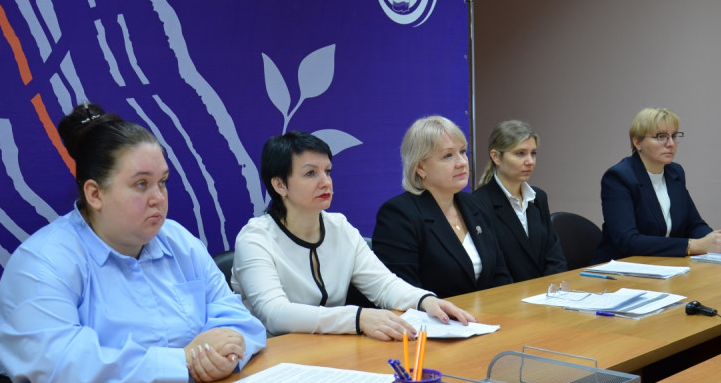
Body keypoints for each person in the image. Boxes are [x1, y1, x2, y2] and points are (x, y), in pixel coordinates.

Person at [0, 103, 266, 383]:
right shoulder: (44, 261)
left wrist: (223, 355)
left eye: (162, 182)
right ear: (95, 194)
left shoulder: (179, 241)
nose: (158, 198)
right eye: (141, 184)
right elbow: (61, 361)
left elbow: (240, 320)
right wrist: (184, 361)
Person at [231, 131, 475, 339]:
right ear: (279, 185)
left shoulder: (339, 227)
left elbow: (384, 285)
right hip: (272, 356)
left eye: (328, 171)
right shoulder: (255, 239)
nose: (325, 182)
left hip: (328, 350)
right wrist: (357, 318)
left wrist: (426, 301)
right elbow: (275, 315)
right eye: (310, 173)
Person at [372, 116, 512, 299]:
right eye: (448, 156)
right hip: (434, 316)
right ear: (420, 168)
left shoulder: (475, 205)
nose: (462, 162)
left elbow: (500, 276)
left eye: (463, 152)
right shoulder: (399, 215)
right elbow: (404, 293)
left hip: (488, 313)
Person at [592, 107, 721, 262]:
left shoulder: (675, 173)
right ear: (638, 142)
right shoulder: (619, 177)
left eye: (674, 136)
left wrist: (716, 240)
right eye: (661, 137)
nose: (671, 144)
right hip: (621, 267)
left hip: (664, 264)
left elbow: (694, 224)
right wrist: (694, 245)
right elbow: (628, 241)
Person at [473, 120, 567, 282]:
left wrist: (551, 290)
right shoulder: (478, 203)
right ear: (496, 157)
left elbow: (554, 256)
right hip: (509, 293)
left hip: (546, 292)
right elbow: (493, 268)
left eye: (533, 153)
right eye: (520, 153)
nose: (530, 161)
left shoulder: (538, 197)